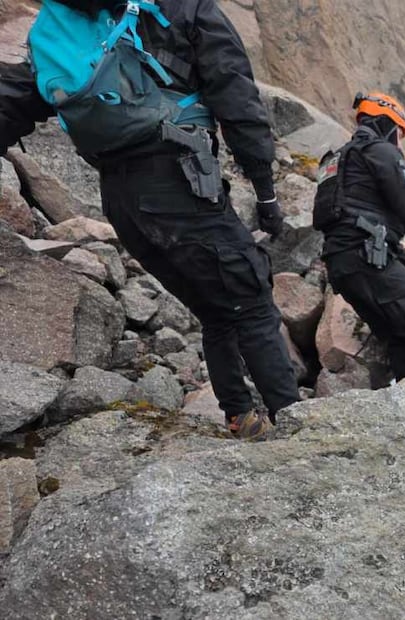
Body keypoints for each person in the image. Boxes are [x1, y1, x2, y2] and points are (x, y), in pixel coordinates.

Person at [0, 0, 299, 439]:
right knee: (250, 297)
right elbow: (236, 97)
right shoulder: (186, 8)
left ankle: (240, 416)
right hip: (177, 183)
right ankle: (298, 426)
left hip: (121, 201)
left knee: (215, 308)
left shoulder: (68, 25)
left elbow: (21, 97)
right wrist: (265, 189)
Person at [313, 91, 405, 383]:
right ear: (389, 124)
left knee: (399, 335)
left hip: (341, 266)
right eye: (399, 133)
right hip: (365, 258)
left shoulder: (340, 158)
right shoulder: (381, 152)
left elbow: (346, 218)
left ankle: (404, 407)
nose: (398, 141)